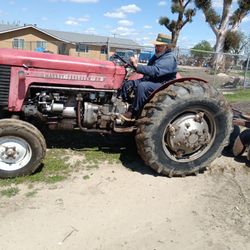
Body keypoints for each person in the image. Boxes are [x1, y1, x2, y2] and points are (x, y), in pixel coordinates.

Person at [120, 33, 177, 122]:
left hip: (163, 83)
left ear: (166, 47)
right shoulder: (157, 56)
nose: (156, 48)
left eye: (159, 46)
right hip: (152, 79)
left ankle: (135, 113)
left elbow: (155, 71)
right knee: (128, 84)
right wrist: (134, 65)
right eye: (156, 45)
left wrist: (137, 66)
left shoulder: (169, 58)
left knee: (143, 87)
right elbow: (149, 68)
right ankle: (124, 105)